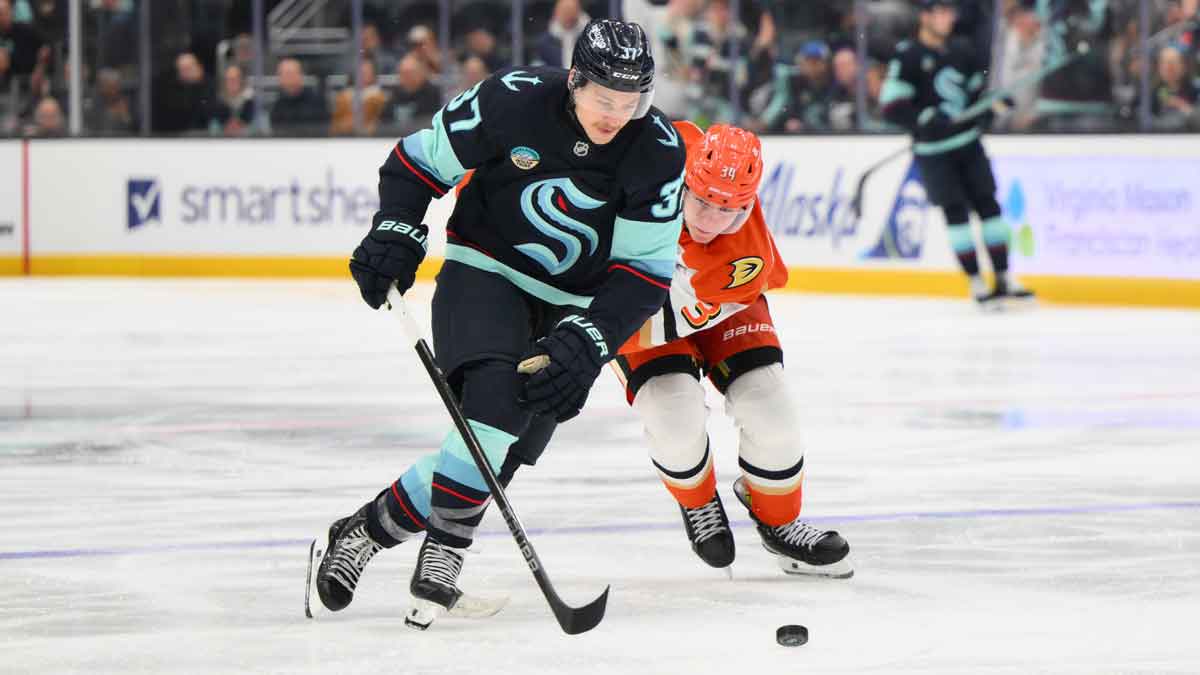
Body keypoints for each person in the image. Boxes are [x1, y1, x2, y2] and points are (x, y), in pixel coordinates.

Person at [306, 19, 686, 630]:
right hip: (486, 271)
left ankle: (364, 532)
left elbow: (643, 272)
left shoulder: (659, 151)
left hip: (572, 303)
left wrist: (591, 341)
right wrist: (396, 227)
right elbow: (416, 163)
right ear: (574, 80)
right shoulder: (510, 99)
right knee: (494, 405)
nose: (616, 114)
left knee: (495, 455)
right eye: (603, 98)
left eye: (631, 101)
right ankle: (445, 555)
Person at [612, 121, 852, 577]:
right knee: (672, 415)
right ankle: (698, 501)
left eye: (729, 211)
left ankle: (780, 522)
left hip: (718, 307)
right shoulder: (657, 151)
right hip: (636, 295)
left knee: (771, 411)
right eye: (701, 201)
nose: (709, 221)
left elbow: (676, 319)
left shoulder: (748, 256)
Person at [881, 0, 1034, 307]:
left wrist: (991, 109)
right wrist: (923, 119)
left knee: (989, 206)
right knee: (956, 214)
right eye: (940, 12)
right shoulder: (908, 56)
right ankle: (976, 282)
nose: (947, 18)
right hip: (934, 152)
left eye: (949, 12)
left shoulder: (962, 51)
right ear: (925, 17)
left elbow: (978, 94)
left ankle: (1004, 277)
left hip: (968, 143)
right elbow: (891, 107)